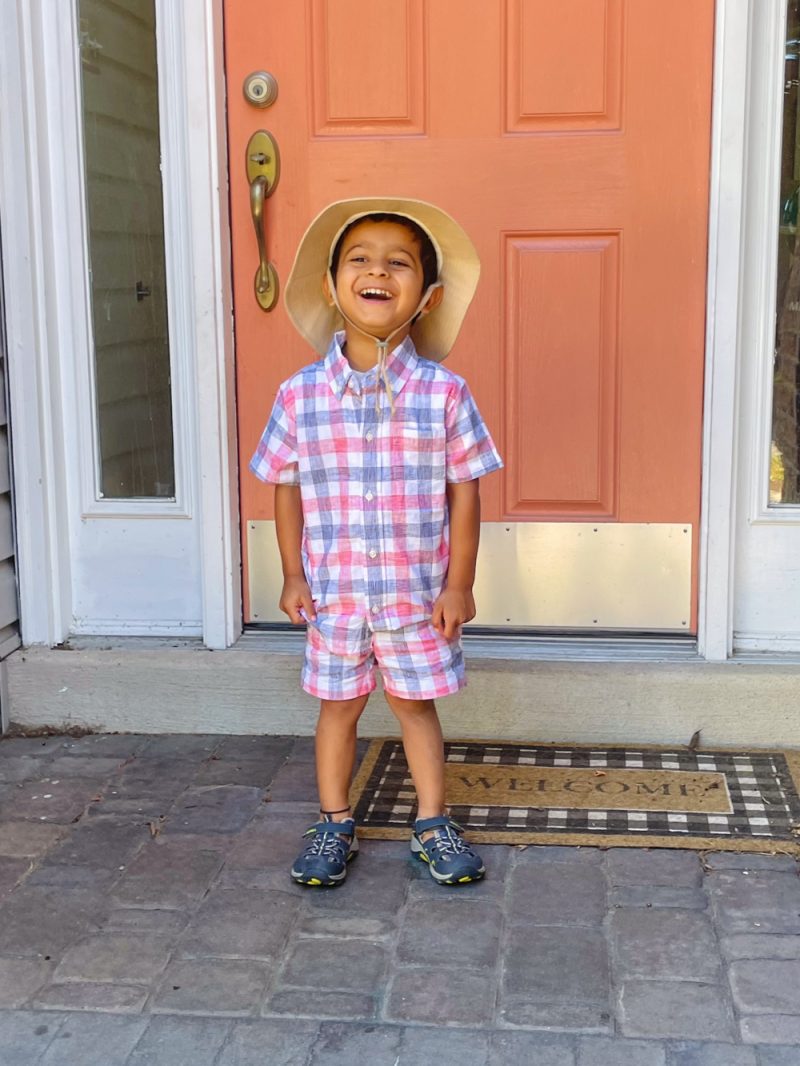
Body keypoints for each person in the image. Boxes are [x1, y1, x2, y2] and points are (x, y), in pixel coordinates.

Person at [250, 197, 503, 887]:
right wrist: (292, 575)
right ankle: (334, 821)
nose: (378, 272)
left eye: (399, 263)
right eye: (359, 259)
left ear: (427, 297)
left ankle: (432, 821)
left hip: (414, 593)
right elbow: (285, 484)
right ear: (332, 287)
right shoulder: (300, 396)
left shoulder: (444, 394)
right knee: (338, 706)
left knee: (415, 706)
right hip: (334, 594)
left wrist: (458, 583)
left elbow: (467, 490)